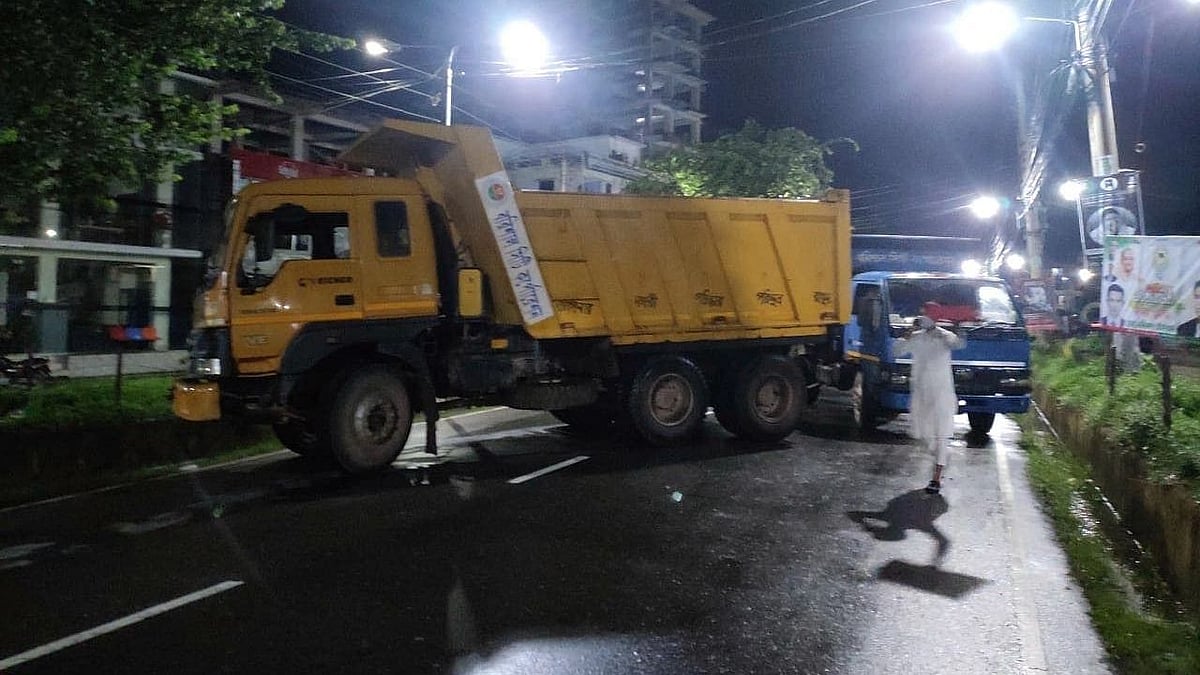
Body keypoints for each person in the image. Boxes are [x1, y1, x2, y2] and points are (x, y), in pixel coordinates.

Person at [894, 304, 965, 495]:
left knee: (942, 434)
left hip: (942, 395)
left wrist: (944, 329)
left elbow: (957, 343)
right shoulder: (916, 338)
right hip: (921, 396)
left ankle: (936, 477)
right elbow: (896, 351)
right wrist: (908, 332)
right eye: (922, 315)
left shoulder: (943, 337)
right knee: (926, 437)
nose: (923, 318)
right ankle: (940, 461)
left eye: (927, 315)